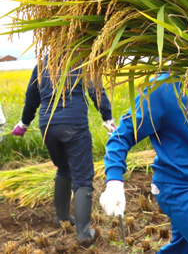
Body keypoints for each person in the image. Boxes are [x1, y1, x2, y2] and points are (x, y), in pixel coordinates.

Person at [99, 75, 188, 254]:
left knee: (183, 249)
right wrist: (114, 181)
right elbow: (122, 136)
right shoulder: (162, 90)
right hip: (177, 188)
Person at [11, 58, 115, 247]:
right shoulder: (82, 62)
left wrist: (24, 123)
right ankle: (84, 233)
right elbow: (96, 91)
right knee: (82, 177)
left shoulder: (42, 66)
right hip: (74, 125)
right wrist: (107, 117)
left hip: (47, 125)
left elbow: (31, 97)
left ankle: (62, 217)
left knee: (64, 169)